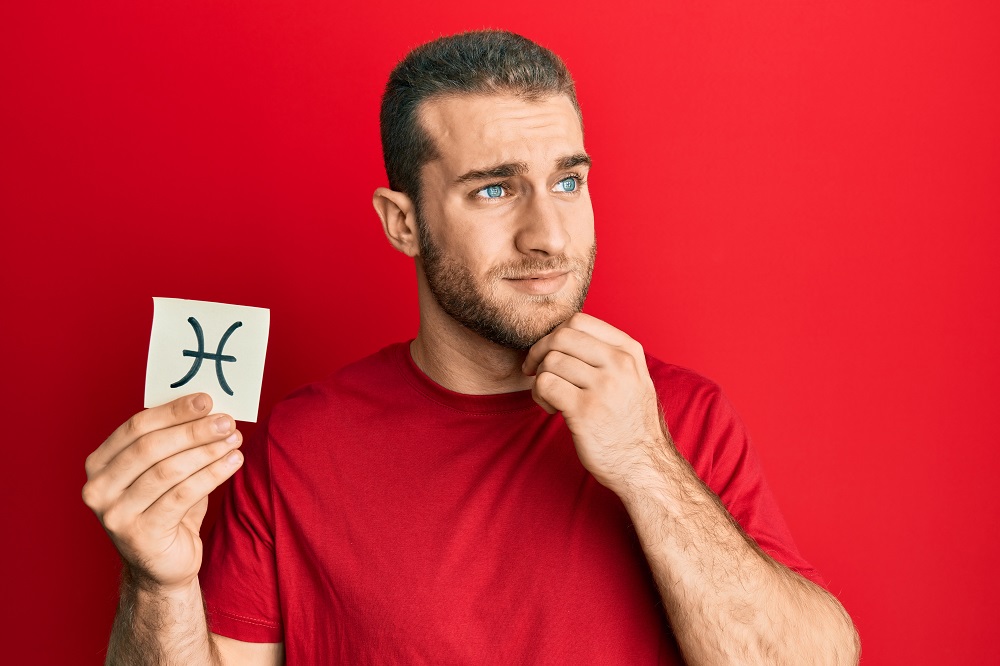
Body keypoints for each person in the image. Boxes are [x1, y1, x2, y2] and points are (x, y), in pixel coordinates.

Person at [83, 30, 860, 665]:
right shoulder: (301, 445)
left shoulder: (680, 416)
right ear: (403, 222)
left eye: (567, 182)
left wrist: (646, 465)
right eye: (494, 189)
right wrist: (158, 587)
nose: (549, 235)